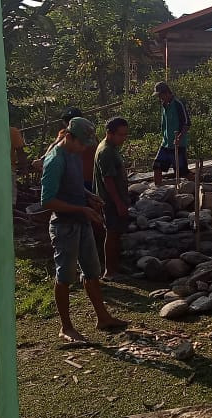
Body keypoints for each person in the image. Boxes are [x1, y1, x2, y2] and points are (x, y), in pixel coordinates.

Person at [40, 117, 128, 344]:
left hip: (81, 221)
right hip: (64, 225)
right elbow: (47, 200)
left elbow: (74, 184)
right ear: (69, 137)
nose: (84, 148)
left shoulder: (74, 154)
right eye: (81, 143)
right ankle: (66, 327)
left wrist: (88, 196)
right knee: (65, 275)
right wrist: (80, 207)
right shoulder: (55, 160)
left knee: (92, 271)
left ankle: (103, 317)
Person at [94, 117, 132, 282]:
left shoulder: (111, 147)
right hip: (110, 200)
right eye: (120, 135)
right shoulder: (106, 151)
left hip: (115, 199)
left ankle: (115, 267)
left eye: (125, 135)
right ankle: (109, 271)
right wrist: (118, 203)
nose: (123, 138)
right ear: (109, 133)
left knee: (115, 233)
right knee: (112, 233)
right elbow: (108, 180)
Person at [153, 82, 191, 186]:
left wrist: (179, 137)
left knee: (182, 172)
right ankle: (157, 191)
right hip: (165, 143)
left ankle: (197, 184)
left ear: (166, 93)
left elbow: (187, 123)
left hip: (178, 144)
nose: (160, 98)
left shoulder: (178, 104)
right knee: (157, 166)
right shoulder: (164, 105)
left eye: (160, 95)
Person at [10, 109, 29, 207]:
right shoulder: (13, 132)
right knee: (11, 199)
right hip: (9, 170)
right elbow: (21, 152)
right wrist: (24, 169)